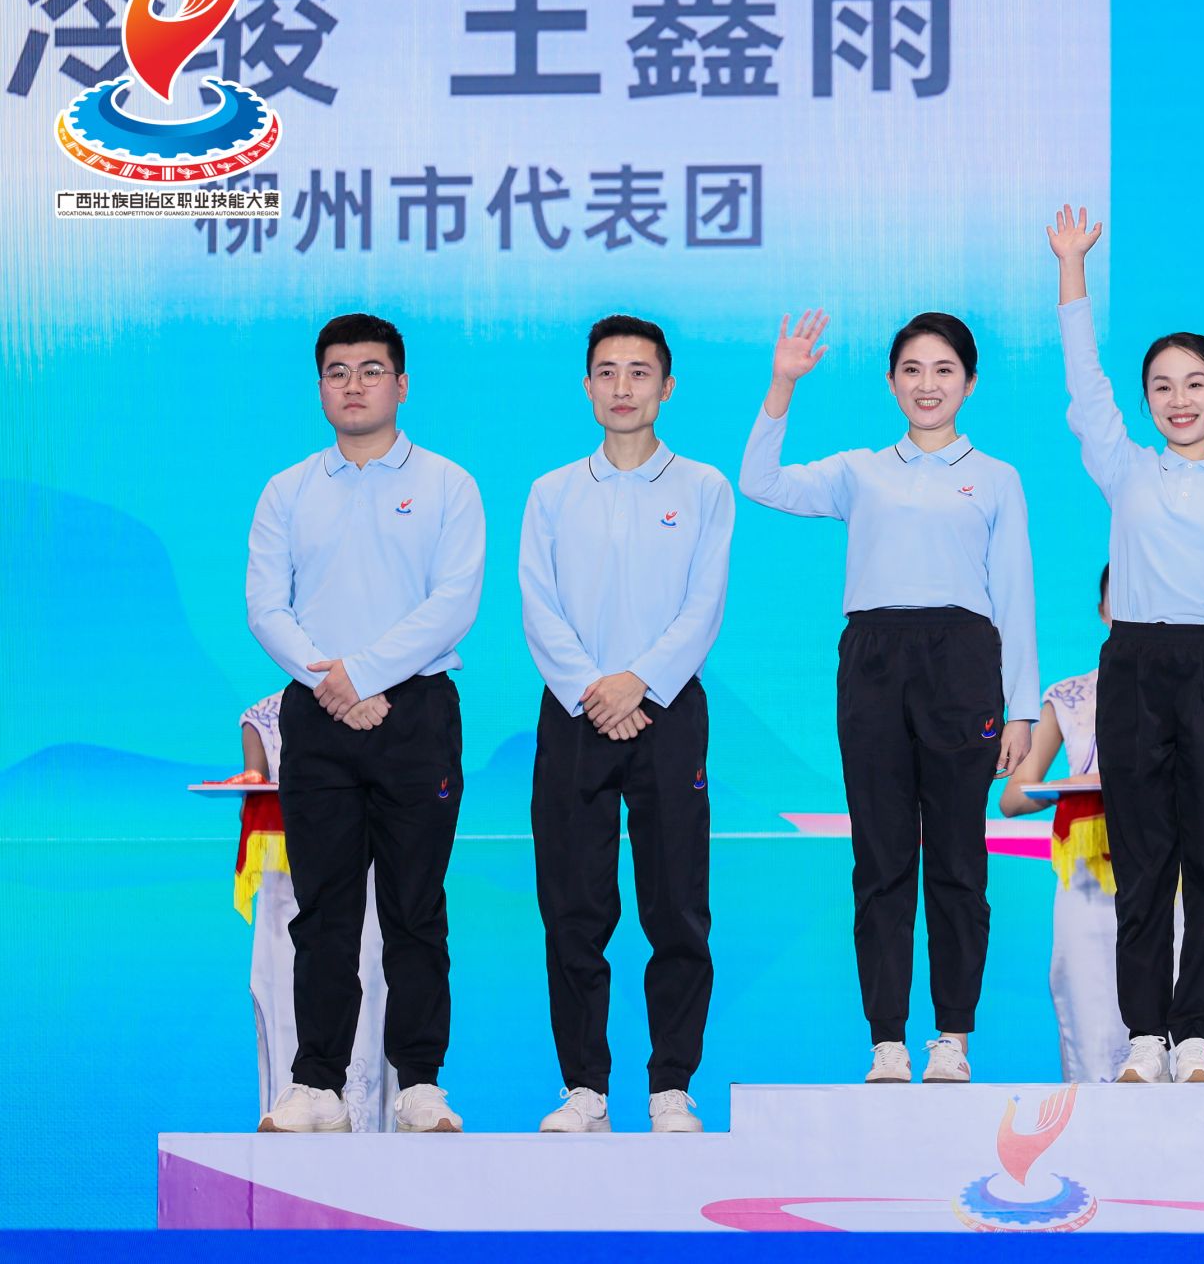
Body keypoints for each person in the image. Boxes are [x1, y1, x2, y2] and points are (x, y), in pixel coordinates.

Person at [739, 308, 1038, 1084]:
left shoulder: (996, 477)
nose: (927, 385)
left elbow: (1015, 596)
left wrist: (1023, 709)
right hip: (873, 659)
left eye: (944, 371)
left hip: (963, 661)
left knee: (958, 858)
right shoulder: (860, 470)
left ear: (969, 384)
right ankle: (887, 1041)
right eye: (912, 370)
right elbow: (760, 481)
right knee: (880, 858)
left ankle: (953, 1037)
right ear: (890, 382)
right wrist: (783, 384)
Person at [1048, 205, 1204, 1086]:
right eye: (1161, 387)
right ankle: (1145, 1034)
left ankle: (1196, 1038)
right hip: (1137, 669)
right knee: (1142, 864)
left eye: (1194, 385)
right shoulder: (1127, 470)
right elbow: (1085, 388)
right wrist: (1073, 269)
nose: (1178, 400)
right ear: (1147, 401)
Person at [245, 312, 485, 1133]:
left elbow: (453, 603)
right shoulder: (288, 490)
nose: (354, 385)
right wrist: (333, 680)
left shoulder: (449, 485)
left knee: (415, 907)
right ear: (320, 387)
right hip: (317, 713)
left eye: (371, 370)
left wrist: (367, 675)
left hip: (416, 713)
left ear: (401, 384)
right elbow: (265, 607)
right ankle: (317, 1084)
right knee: (324, 907)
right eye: (337, 372)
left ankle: (419, 1083)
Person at [520, 315, 734, 1134]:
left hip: (668, 710)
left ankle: (672, 1086)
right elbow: (538, 605)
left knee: (677, 909)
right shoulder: (552, 492)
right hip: (574, 712)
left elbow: (703, 605)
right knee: (573, 910)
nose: (622, 387)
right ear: (587, 386)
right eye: (607, 372)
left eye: (639, 373)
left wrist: (639, 682)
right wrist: (592, 690)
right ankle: (585, 1089)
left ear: (666, 386)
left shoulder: (704, 488)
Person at [999, 565, 1185, 1083]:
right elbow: (1013, 797)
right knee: (1086, 1006)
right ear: (1103, 611)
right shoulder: (1069, 696)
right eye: (1117, 599)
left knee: (1169, 1010)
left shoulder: (1185, 693)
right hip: (1086, 881)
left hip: (1162, 871)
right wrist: (1082, 783)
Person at [228, 694, 397, 1132]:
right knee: (294, 989)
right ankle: (301, 1096)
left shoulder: (389, 698)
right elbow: (254, 777)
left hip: (370, 881)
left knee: (374, 989)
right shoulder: (268, 713)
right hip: (292, 889)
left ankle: (374, 1123)